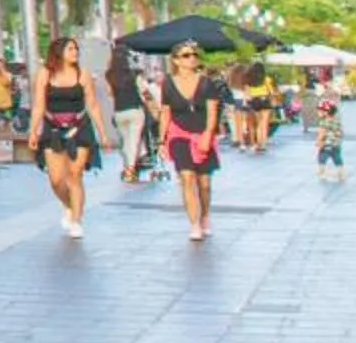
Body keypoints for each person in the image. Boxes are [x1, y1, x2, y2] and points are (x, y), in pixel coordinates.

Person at [33, 35, 114, 239]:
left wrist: (103, 133)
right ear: (58, 52)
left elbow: (93, 105)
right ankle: (69, 205)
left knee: (75, 175)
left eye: (76, 49)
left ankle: (77, 220)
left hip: (80, 127)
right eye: (70, 49)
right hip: (53, 129)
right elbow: (38, 105)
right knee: (56, 180)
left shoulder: (83, 74)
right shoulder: (45, 74)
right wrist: (33, 130)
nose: (75, 52)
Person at [157, 40, 229, 244]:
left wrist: (208, 134)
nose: (192, 59)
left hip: (202, 133)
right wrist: (161, 141)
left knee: (204, 183)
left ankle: (205, 215)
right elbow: (165, 112)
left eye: (194, 55)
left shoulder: (206, 82)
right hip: (179, 135)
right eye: (187, 55)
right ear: (176, 61)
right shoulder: (168, 83)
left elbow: (213, 111)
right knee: (187, 177)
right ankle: (194, 223)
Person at [108, 51, 151, 184]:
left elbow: (110, 94)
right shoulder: (134, 75)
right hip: (135, 110)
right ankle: (131, 168)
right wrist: (153, 107)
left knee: (126, 141)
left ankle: (129, 165)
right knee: (134, 139)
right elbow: (145, 93)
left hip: (119, 111)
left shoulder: (110, 76)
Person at [317, 81, 345, 184]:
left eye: (320, 111)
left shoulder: (323, 122)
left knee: (321, 158)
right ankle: (341, 172)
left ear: (326, 112)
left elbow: (321, 133)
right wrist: (338, 139)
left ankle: (321, 171)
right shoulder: (337, 121)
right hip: (336, 144)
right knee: (337, 158)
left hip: (326, 145)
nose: (318, 113)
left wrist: (319, 142)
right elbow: (340, 132)